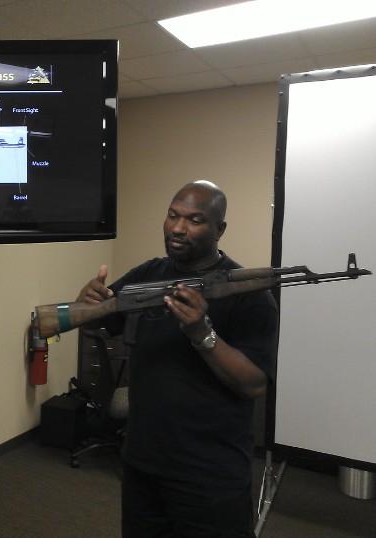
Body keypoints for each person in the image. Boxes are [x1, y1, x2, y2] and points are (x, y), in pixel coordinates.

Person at [77, 180, 278, 538]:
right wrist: (86, 301)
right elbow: (97, 321)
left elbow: (254, 383)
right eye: (173, 216)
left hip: (209, 473)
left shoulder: (247, 293)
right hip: (142, 462)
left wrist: (202, 333)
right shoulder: (147, 275)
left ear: (220, 229)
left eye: (195, 219)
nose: (178, 228)